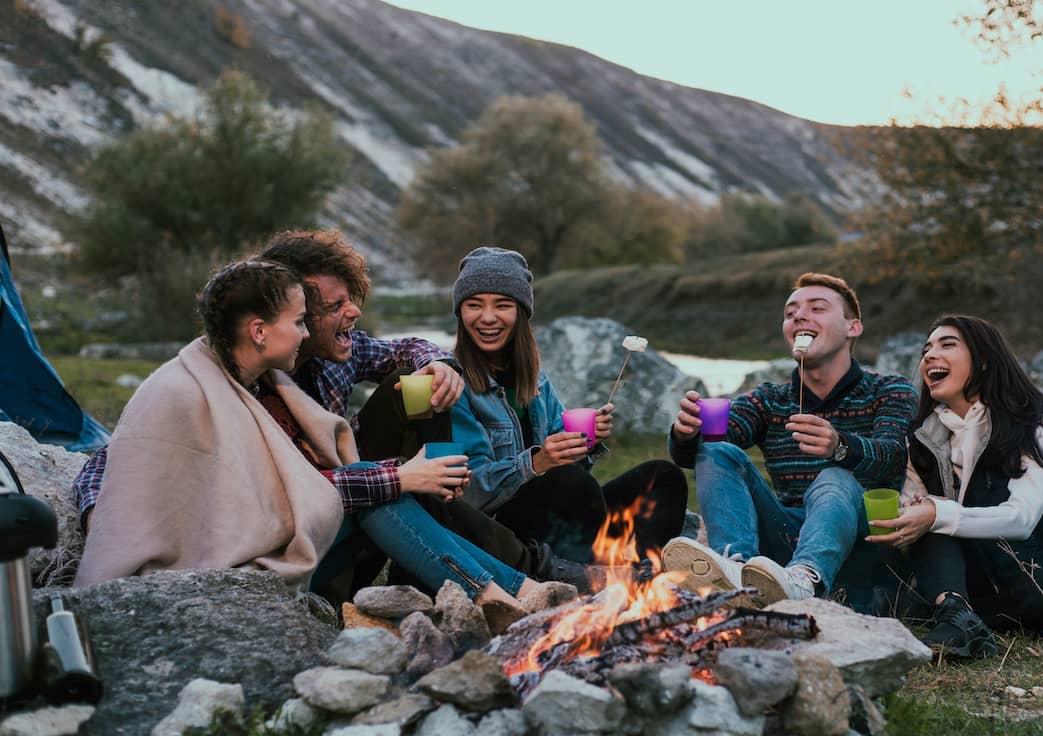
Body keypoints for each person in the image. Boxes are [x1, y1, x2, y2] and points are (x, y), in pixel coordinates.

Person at [71, 229, 597, 591]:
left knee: (412, 401)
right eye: (324, 310)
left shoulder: (327, 358)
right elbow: (121, 458)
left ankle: (507, 572)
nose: (353, 313)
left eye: (351, 299)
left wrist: (441, 364)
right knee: (381, 488)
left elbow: (401, 349)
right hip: (289, 542)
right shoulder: (226, 381)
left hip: (340, 521)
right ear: (273, 315)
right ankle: (525, 581)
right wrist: (109, 517)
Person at [868, 314, 1043, 659]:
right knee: (928, 520)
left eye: (946, 345)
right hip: (974, 576)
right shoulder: (923, 435)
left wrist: (938, 512)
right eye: (926, 349)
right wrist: (914, 508)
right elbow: (919, 502)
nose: (929, 355)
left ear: (983, 360)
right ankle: (956, 612)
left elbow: (1021, 519)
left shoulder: (1038, 423)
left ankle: (945, 611)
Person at [663, 272, 918, 607]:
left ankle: (805, 577)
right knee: (716, 450)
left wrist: (841, 446)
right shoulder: (771, 400)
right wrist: (688, 433)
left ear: (853, 327)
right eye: (790, 312)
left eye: (817, 308)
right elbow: (707, 446)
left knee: (834, 476)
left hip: (862, 539)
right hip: (784, 539)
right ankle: (733, 569)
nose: (799, 316)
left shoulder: (889, 390)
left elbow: (892, 455)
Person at [448, 247, 687, 566]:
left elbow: (572, 473)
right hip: (499, 535)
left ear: (521, 312)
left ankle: (646, 574)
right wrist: (536, 462)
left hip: (560, 525)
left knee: (663, 476)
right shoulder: (452, 383)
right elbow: (468, 494)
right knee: (570, 483)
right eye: (474, 305)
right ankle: (588, 578)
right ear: (460, 313)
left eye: (502, 305)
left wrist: (587, 444)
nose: (488, 317)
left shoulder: (537, 381)